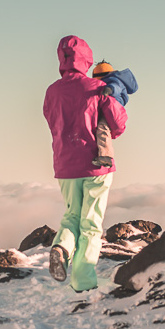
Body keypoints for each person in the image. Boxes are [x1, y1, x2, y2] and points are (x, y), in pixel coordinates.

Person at [43, 35, 128, 292]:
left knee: (71, 217)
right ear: (86, 58)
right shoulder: (95, 88)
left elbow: (51, 120)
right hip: (95, 165)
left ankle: (61, 248)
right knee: (90, 224)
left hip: (65, 165)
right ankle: (83, 282)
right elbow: (119, 124)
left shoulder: (52, 91)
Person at [91, 61, 138, 168]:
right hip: (111, 109)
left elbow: (115, 87)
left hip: (112, 109)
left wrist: (108, 90)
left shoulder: (114, 81)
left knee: (103, 128)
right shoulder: (114, 80)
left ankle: (106, 156)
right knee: (101, 128)